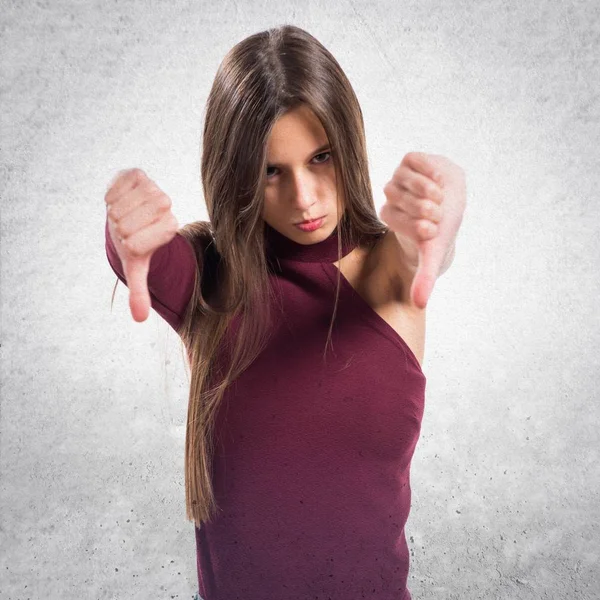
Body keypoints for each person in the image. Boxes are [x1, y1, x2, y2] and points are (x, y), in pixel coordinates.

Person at [104, 24, 465, 600]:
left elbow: (428, 248)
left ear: (348, 143)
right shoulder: (209, 280)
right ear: (236, 173)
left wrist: (446, 208)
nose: (304, 198)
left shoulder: (388, 271)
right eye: (272, 170)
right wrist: (124, 233)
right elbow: (146, 254)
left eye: (321, 157)